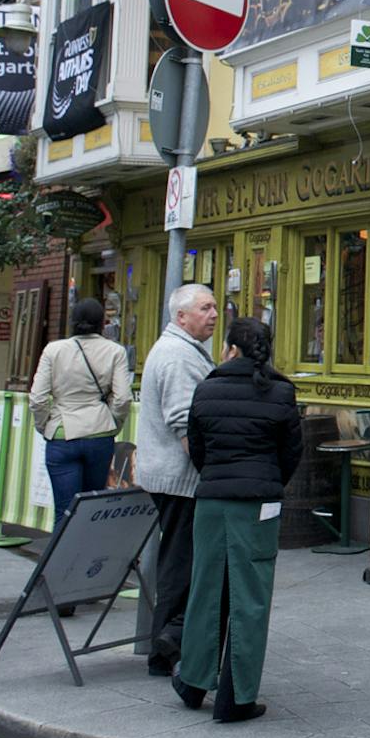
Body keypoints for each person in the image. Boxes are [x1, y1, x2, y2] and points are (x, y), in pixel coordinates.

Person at [173, 316, 300, 724]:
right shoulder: (280, 392)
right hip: (258, 502)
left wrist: (216, 474)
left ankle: (193, 680)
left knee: (205, 591)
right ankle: (237, 695)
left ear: (230, 348)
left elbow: (197, 447)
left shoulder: (206, 388)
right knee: (251, 597)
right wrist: (268, 480)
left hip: (212, 499)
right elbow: (291, 452)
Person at [135, 284, 218, 678]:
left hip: (171, 474)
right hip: (179, 478)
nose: (214, 314)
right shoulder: (178, 357)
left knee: (179, 560)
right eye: (205, 308)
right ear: (181, 316)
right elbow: (185, 422)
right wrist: (210, 469)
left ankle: (167, 641)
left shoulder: (183, 350)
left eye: (215, 306)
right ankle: (165, 645)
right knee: (181, 563)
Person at [28, 298, 133, 530]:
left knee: (64, 513)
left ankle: (59, 565)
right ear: (102, 324)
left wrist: (45, 425)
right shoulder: (115, 351)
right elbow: (123, 398)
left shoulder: (53, 350)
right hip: (99, 433)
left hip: (62, 433)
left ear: (73, 322)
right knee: (91, 511)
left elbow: (37, 398)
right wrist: (113, 422)